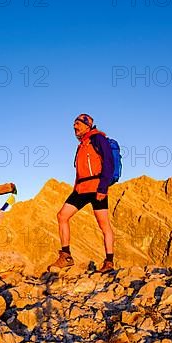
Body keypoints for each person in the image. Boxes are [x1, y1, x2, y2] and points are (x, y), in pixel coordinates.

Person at [48, 113, 116, 273]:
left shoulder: (98, 139)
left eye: (77, 124)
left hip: (96, 187)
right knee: (62, 216)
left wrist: (103, 187)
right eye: (74, 125)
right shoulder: (82, 144)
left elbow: (109, 162)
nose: (74, 127)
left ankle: (109, 261)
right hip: (81, 189)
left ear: (87, 124)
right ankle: (66, 256)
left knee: (104, 224)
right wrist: (75, 189)